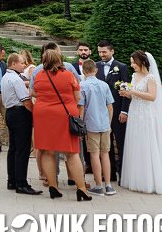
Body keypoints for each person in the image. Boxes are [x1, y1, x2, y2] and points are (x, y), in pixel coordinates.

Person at [32, 49, 91, 201]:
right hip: (64, 115)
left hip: (43, 114)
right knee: (71, 152)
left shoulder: (39, 76)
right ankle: (81, 189)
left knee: (47, 151)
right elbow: (78, 97)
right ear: (59, 60)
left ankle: (53, 187)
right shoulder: (68, 75)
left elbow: (34, 92)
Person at [118, 50, 162, 195]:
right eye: (131, 62)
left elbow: (152, 97)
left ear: (142, 62)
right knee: (136, 144)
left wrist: (132, 92)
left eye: (133, 62)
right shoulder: (134, 75)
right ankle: (136, 179)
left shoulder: (150, 77)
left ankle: (150, 181)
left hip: (146, 114)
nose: (132, 65)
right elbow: (134, 96)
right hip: (135, 112)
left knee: (147, 144)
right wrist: (126, 93)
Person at [1, 52, 41, 195]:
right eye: (22, 63)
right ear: (13, 64)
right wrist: (34, 113)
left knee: (13, 148)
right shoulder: (16, 79)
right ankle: (21, 183)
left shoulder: (6, 77)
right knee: (22, 150)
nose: (24, 65)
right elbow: (26, 101)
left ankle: (11, 180)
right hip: (19, 114)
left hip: (10, 113)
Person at [95, 40, 129, 182]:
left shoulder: (121, 67)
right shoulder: (95, 66)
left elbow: (126, 90)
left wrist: (124, 111)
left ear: (112, 51)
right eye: (100, 52)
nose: (102, 54)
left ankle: (123, 174)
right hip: (101, 113)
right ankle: (110, 173)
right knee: (105, 144)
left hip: (117, 111)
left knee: (121, 143)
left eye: (104, 52)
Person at [78, 59, 113, 196]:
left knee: (94, 155)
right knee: (105, 154)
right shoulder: (104, 85)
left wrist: (80, 125)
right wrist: (109, 124)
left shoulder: (83, 86)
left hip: (91, 124)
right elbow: (110, 107)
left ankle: (98, 185)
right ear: (96, 70)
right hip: (104, 124)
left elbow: (81, 107)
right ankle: (109, 185)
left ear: (83, 71)